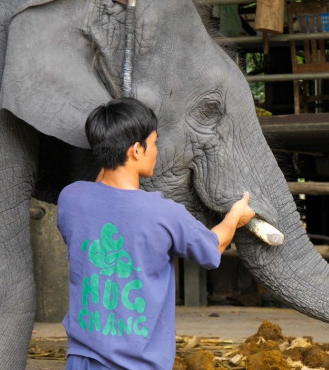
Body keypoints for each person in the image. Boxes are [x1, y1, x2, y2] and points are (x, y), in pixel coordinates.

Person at [57, 97, 255, 369]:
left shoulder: (70, 198)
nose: (156, 151)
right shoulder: (163, 213)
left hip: (81, 360)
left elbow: (98, 206)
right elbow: (214, 248)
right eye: (155, 142)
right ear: (137, 150)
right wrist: (235, 216)